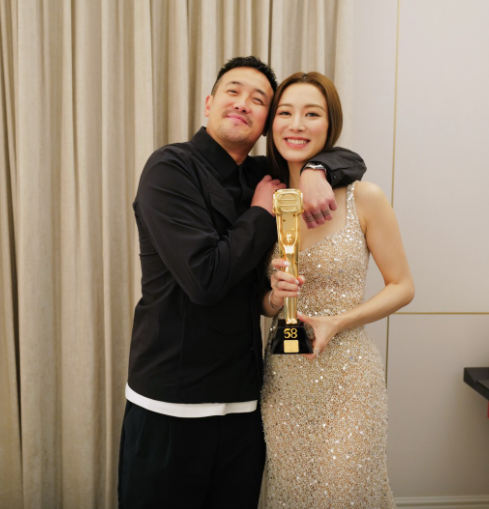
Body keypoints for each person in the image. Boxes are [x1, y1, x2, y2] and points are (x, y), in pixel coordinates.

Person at [118, 57, 366, 509]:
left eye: (258, 100)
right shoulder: (170, 167)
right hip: (172, 401)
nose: (242, 103)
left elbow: (351, 159)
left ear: (266, 123)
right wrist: (259, 213)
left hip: (245, 402)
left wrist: (317, 170)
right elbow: (205, 279)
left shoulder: (261, 175)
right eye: (233, 91)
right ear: (209, 103)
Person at [261, 72, 414, 509]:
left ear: (330, 126)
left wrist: (338, 322)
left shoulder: (364, 197)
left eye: (312, 114)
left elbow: (403, 286)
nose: (296, 124)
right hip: (284, 382)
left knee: (346, 494)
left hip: (349, 381)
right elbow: (261, 303)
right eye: (285, 113)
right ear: (272, 124)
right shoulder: (263, 199)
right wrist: (274, 297)